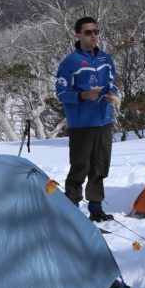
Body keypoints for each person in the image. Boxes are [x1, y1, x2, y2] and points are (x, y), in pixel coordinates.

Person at [55, 16, 120, 222]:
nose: (94, 36)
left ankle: (96, 208)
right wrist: (82, 95)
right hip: (82, 124)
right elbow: (61, 94)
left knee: (100, 167)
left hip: (104, 121)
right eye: (88, 32)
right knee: (80, 167)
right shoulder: (70, 62)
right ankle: (71, 208)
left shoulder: (106, 59)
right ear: (78, 35)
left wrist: (112, 94)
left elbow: (113, 83)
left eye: (96, 32)